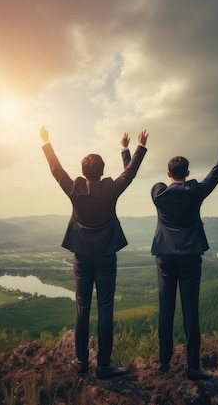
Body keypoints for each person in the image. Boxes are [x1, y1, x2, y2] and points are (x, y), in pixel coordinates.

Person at [39, 125, 148, 378]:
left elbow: (56, 170)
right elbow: (130, 173)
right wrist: (138, 147)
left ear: (83, 172)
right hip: (107, 256)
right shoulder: (110, 189)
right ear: (102, 171)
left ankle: (80, 360)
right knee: (106, 307)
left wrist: (46, 142)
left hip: (82, 256)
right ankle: (104, 364)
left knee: (82, 306)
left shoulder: (75, 189)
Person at [151, 124, 218, 380]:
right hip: (190, 258)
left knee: (166, 310)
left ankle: (164, 363)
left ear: (168, 173)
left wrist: (127, 151)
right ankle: (193, 367)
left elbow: (154, 183)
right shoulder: (196, 191)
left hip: (165, 258)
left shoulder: (158, 192)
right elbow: (217, 172)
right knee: (191, 311)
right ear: (187, 173)